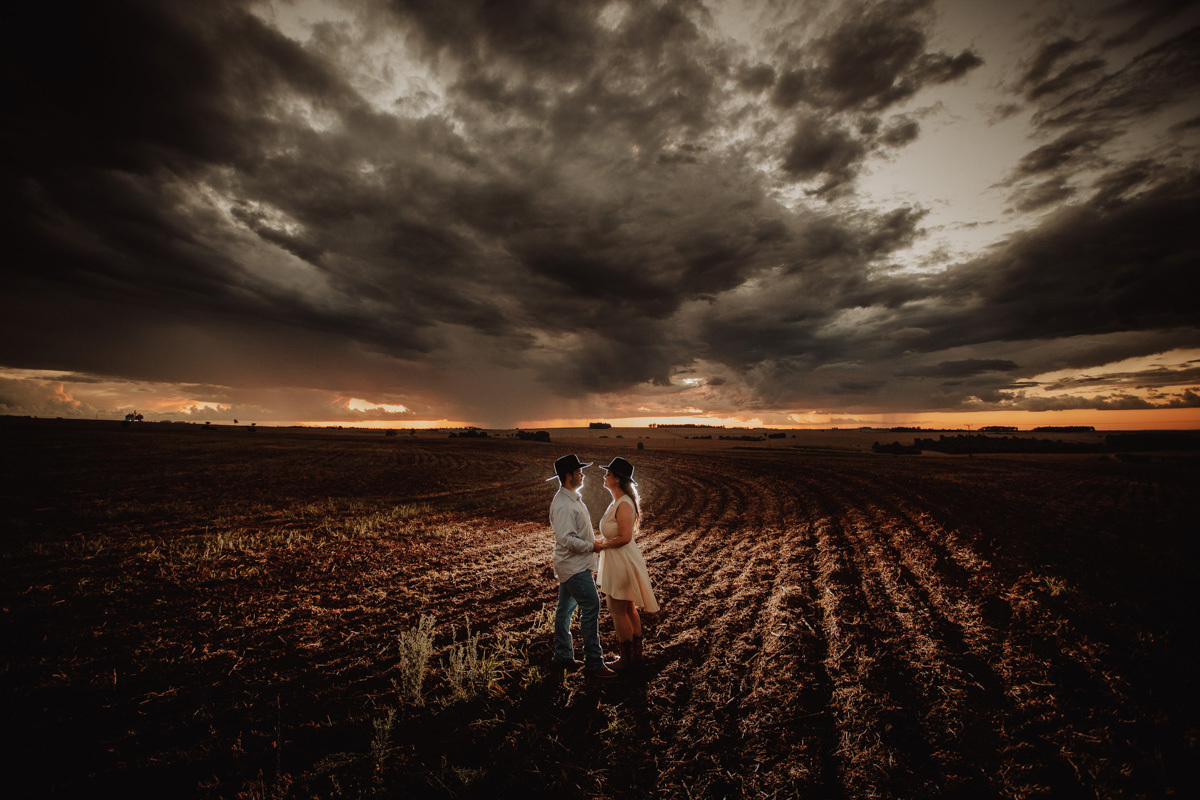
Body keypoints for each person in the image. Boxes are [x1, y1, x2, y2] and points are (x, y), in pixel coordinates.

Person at [547, 454, 615, 677]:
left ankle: (563, 657)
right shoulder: (564, 505)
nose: (582, 474)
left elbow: (573, 534)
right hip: (574, 566)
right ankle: (594, 663)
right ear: (568, 476)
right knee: (591, 605)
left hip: (573, 564)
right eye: (578, 471)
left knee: (565, 610)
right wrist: (591, 546)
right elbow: (566, 539)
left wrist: (590, 543)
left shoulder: (571, 499)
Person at [595, 457, 658, 670]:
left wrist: (601, 546)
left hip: (621, 561)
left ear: (617, 479)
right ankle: (635, 657)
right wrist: (599, 541)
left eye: (608, 474)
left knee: (617, 609)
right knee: (628, 608)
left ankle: (627, 659)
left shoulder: (623, 503)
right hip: (618, 559)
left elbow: (624, 538)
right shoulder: (618, 501)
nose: (605, 477)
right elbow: (615, 535)